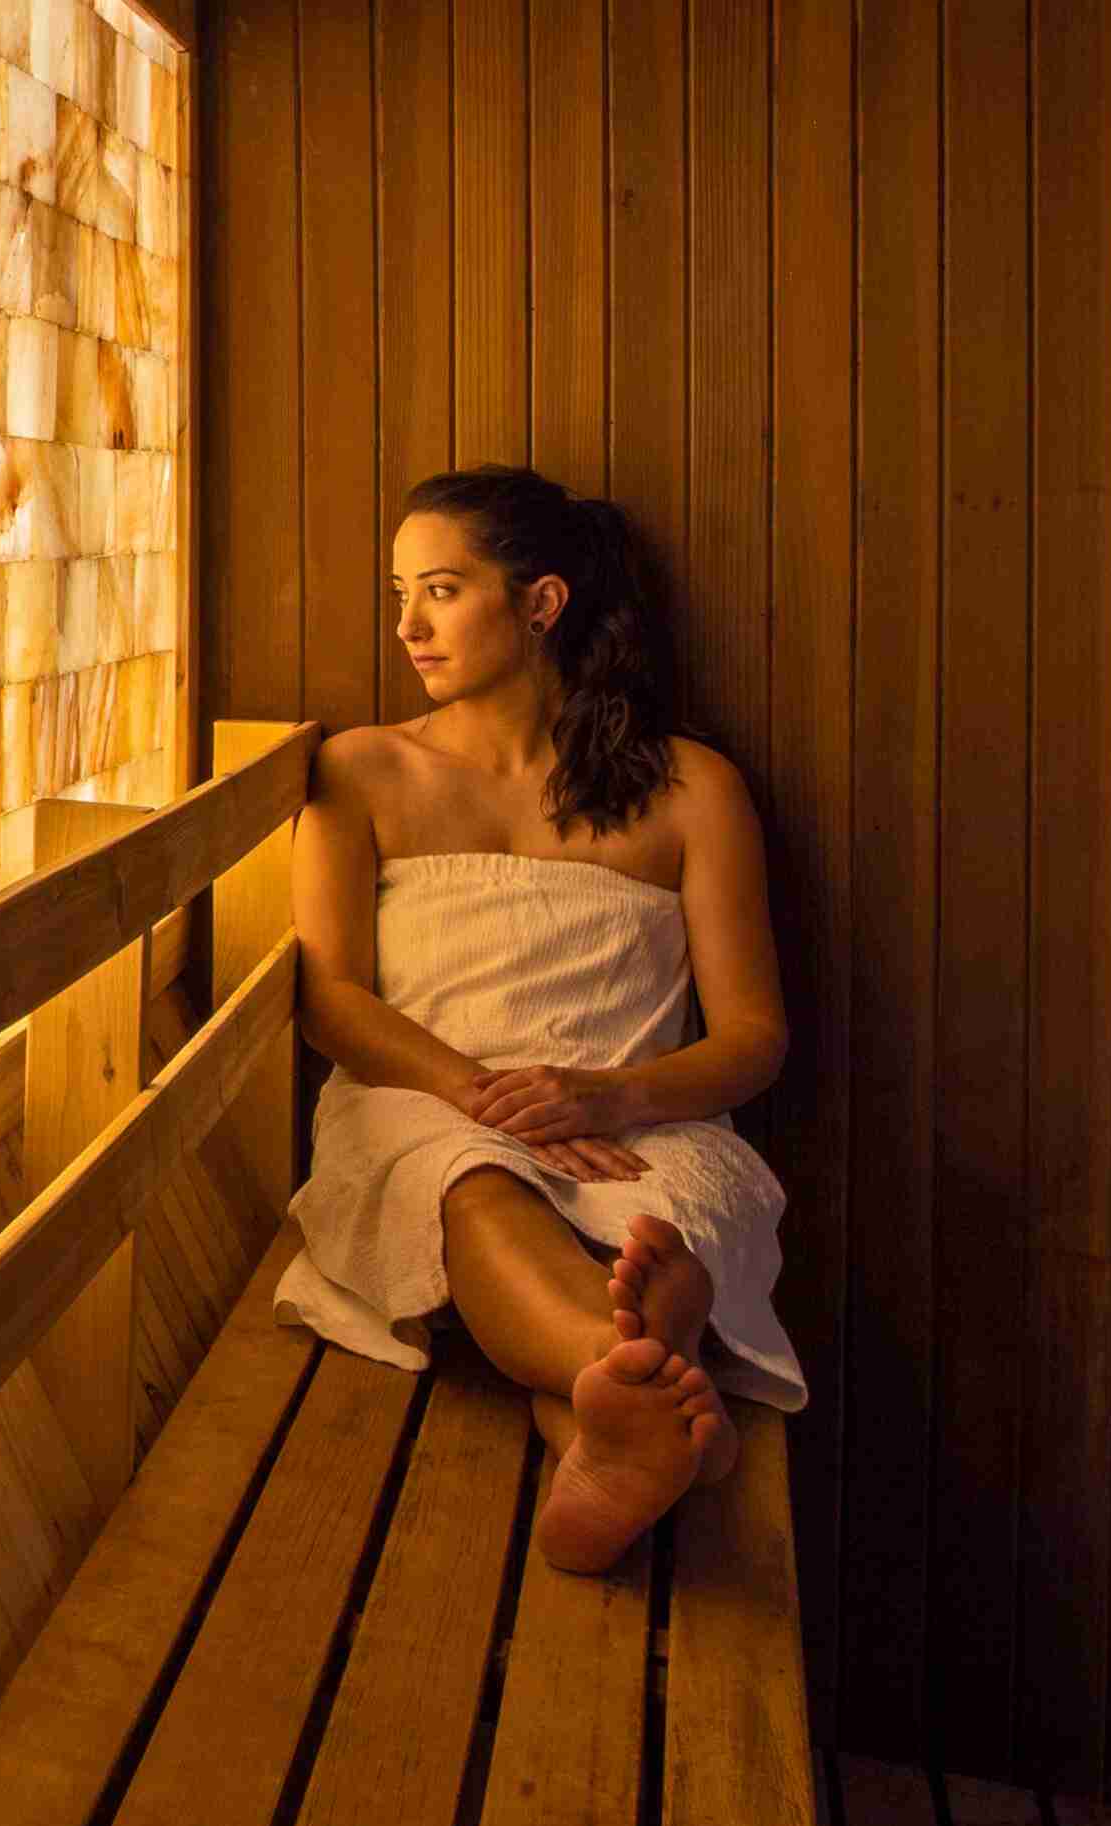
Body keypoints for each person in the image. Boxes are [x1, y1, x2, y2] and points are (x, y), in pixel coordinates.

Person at [276, 465, 805, 1575]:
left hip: (638, 1117)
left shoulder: (693, 790)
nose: (409, 624)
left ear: (541, 603)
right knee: (470, 1186)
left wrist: (607, 1094)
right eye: (399, 594)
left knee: (674, 1209)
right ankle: (630, 1363)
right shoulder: (360, 771)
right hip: (423, 1103)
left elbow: (754, 1036)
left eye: (442, 589)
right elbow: (330, 999)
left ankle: (606, 1420)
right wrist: (493, 1100)